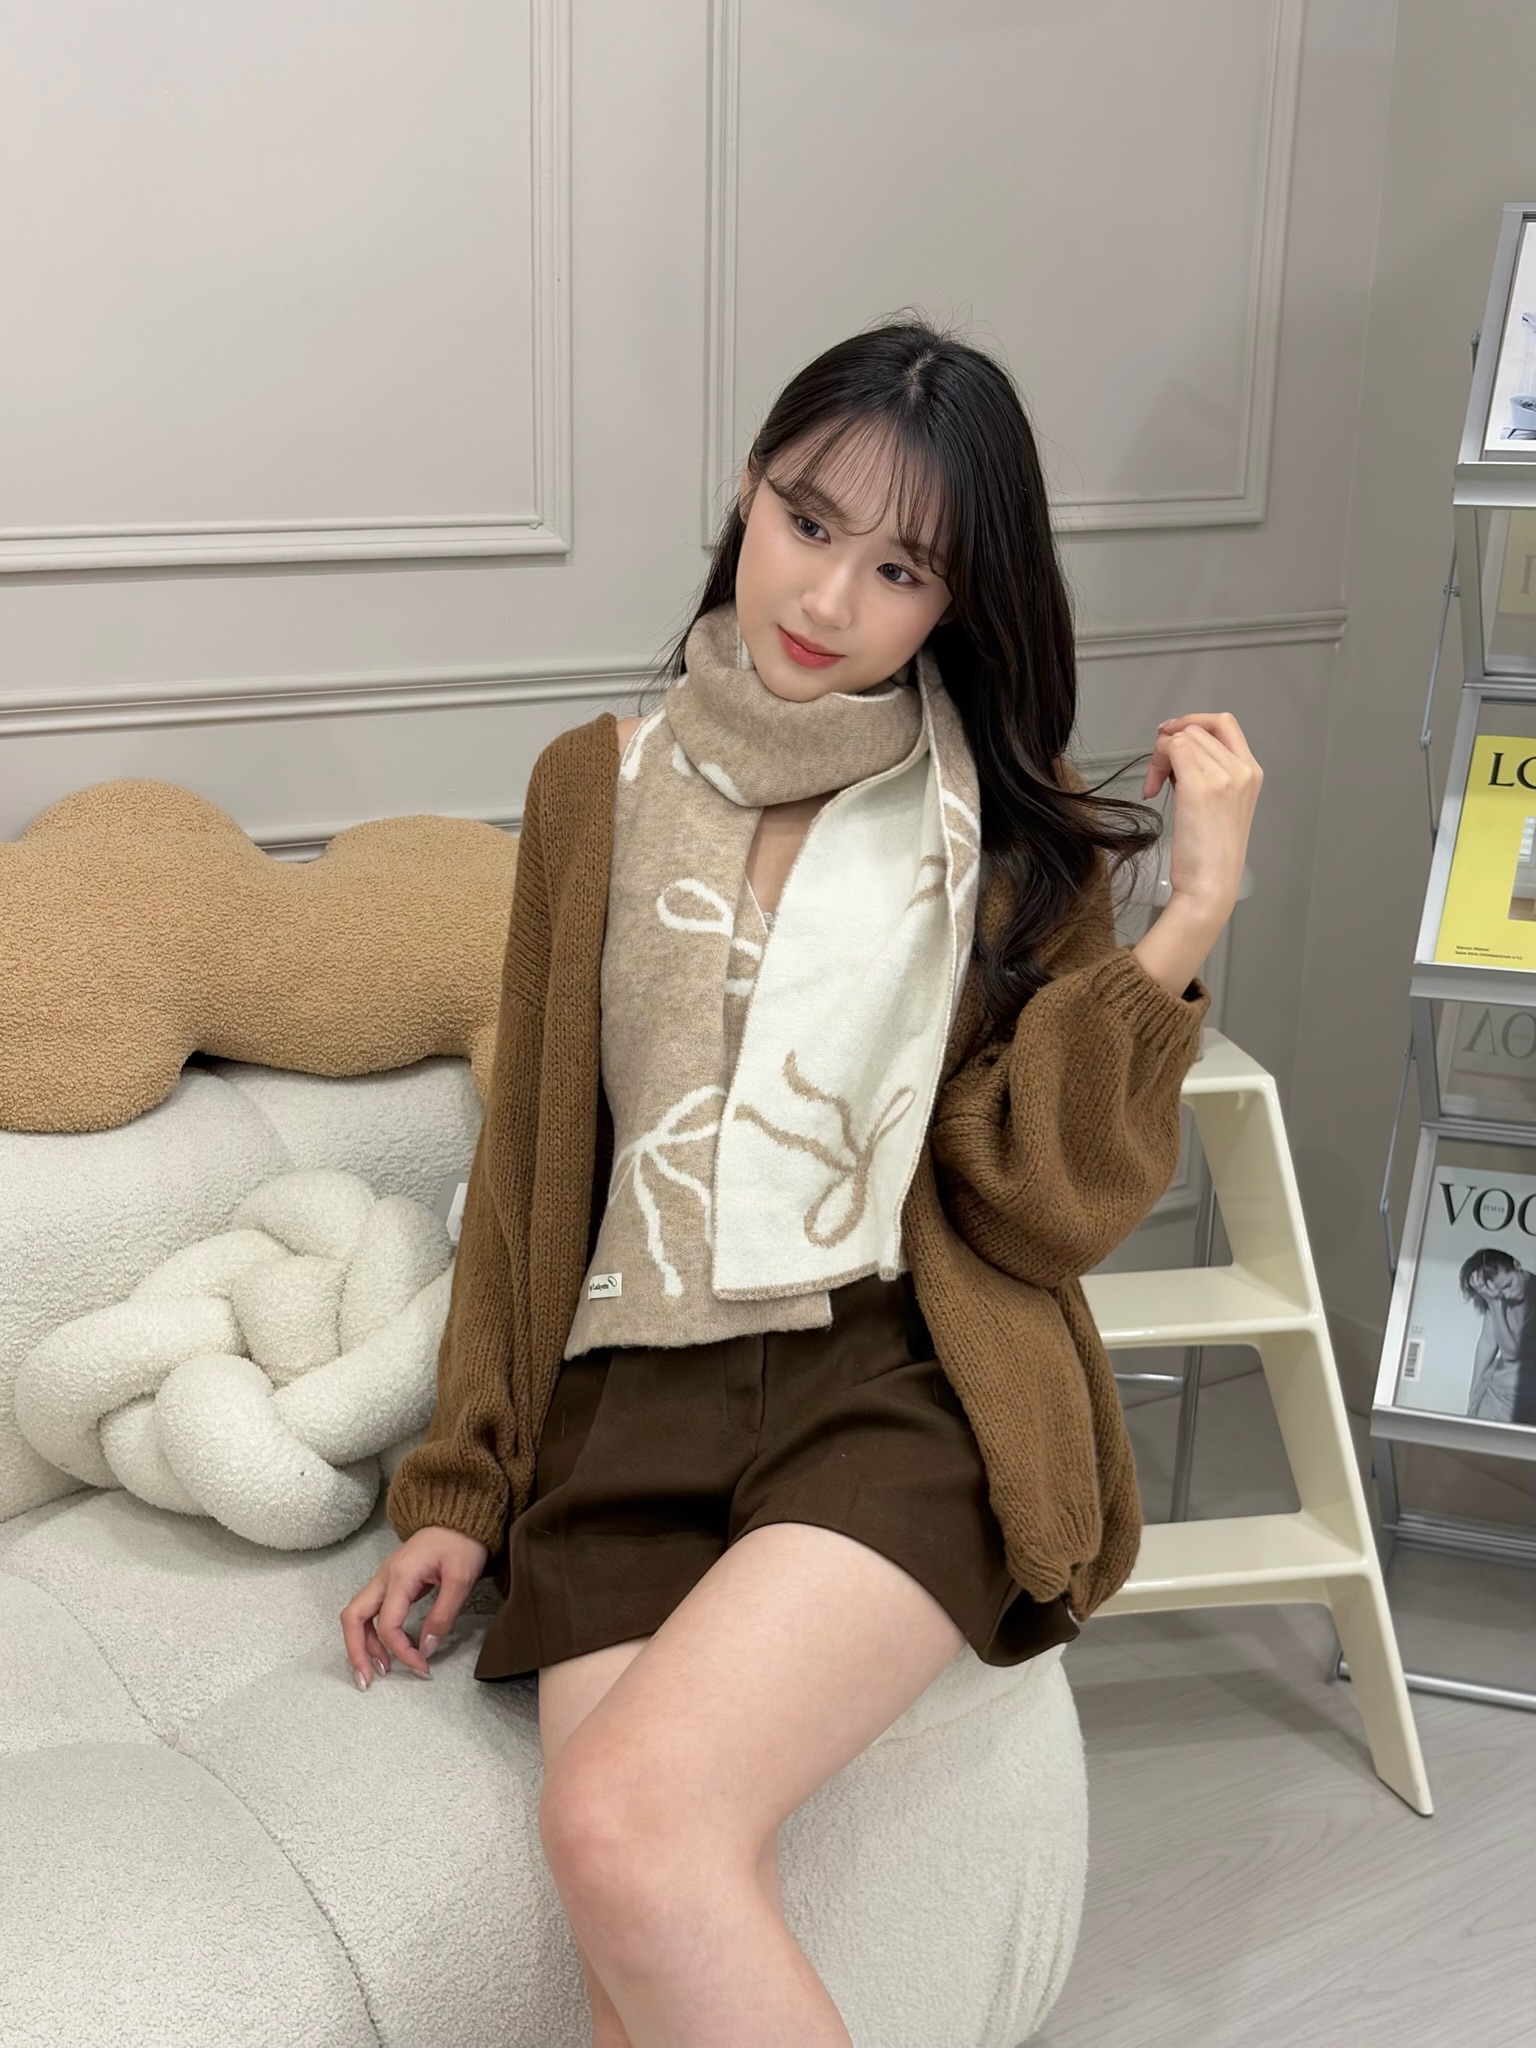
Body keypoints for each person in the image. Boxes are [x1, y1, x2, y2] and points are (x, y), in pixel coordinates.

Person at [340, 315, 1262, 2048]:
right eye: (806, 520)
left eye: (899, 567)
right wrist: (463, 1486)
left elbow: (1037, 1201)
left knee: (624, 1825)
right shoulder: (597, 788)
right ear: (747, 494)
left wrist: (1187, 920)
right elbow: (538, 1163)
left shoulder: (1005, 831)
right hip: (631, 1404)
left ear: (955, 603)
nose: (828, 595)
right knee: (635, 1945)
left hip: (890, 1384)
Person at [1461, 1249, 1536, 1424]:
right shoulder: (1497, 1296)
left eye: (1508, 1285)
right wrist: (1473, 1395)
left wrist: (1495, 1304)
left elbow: (1511, 1353)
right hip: (1498, 1394)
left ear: (1517, 1266)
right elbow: (1487, 1342)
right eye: (1499, 1293)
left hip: (1525, 1400)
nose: (1507, 1295)